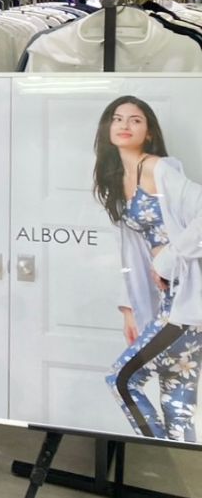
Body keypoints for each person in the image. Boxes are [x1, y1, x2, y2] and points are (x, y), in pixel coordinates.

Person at [95, 96, 202, 442]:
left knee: (122, 379)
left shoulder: (158, 169)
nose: (124, 125)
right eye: (117, 118)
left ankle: (155, 454)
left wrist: (168, 260)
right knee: (177, 404)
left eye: (135, 120)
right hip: (167, 303)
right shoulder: (117, 180)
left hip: (185, 303)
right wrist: (129, 307)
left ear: (150, 132)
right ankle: (176, 469)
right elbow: (131, 253)